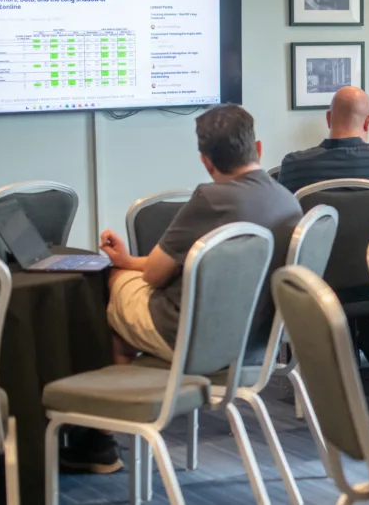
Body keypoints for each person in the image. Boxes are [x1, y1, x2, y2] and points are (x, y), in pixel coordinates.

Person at [94, 104, 302, 473]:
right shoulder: (287, 201)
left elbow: (155, 276)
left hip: (196, 341)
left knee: (110, 284)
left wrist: (121, 267)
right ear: (258, 147)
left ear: (206, 162)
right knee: (125, 281)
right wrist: (130, 260)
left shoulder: (210, 198)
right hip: (259, 344)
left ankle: (104, 436)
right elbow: (187, 262)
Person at [279, 86, 369, 220]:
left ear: (328, 118)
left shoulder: (293, 165)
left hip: (319, 251)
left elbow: (283, 221)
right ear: (367, 121)